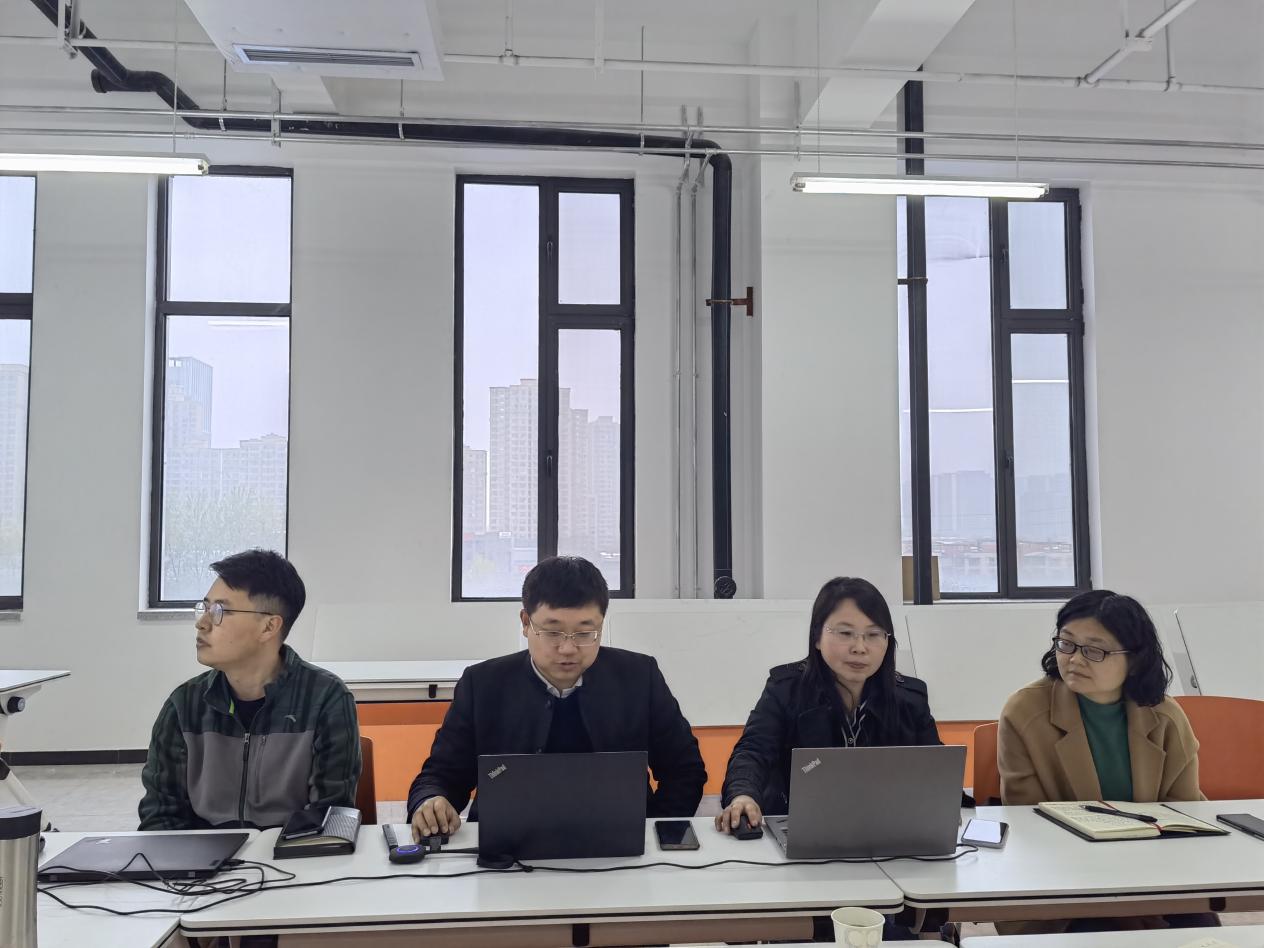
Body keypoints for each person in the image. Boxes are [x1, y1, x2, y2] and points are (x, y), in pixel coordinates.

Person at [409, 555, 706, 838]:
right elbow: (441, 775)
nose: (567, 649)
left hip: (621, 843)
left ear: (601, 624)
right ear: (525, 622)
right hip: (505, 849)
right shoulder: (484, 684)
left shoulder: (639, 677)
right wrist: (431, 800)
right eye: (552, 632)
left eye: (585, 633)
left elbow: (684, 770)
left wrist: (653, 832)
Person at [997, 589, 1213, 934]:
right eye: (1066, 644)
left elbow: (1184, 816)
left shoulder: (1165, 716)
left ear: (1135, 659)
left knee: (1204, 933)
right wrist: (1116, 908)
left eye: (1094, 650)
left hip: (1158, 877)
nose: (1074, 660)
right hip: (1062, 883)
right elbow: (1030, 826)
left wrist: (1146, 898)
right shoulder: (1025, 712)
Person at [138, 549, 361, 830]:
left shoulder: (324, 700)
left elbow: (329, 817)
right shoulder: (185, 705)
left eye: (220, 611)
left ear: (269, 627)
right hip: (205, 855)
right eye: (204, 608)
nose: (202, 623)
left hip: (291, 853)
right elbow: (160, 818)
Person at [716, 576, 941, 833]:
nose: (860, 648)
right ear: (817, 637)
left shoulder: (910, 699)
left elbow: (936, 770)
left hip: (889, 832)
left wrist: (941, 803)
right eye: (845, 633)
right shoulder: (786, 690)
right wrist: (743, 795)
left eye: (873, 634)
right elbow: (753, 751)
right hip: (799, 829)